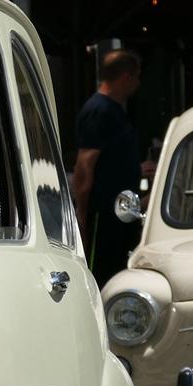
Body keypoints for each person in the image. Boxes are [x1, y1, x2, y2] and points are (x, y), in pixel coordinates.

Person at [73, 49, 144, 283]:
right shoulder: (99, 111)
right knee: (101, 275)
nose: (138, 84)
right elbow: (85, 165)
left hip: (119, 214)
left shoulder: (113, 111)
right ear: (125, 77)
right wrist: (82, 215)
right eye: (136, 77)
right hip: (103, 215)